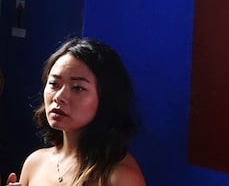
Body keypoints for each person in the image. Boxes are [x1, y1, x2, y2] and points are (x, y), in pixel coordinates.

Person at [6, 38, 144, 186]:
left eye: (77, 88)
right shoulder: (35, 163)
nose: (59, 97)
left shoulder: (120, 177)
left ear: (106, 97)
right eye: (54, 84)